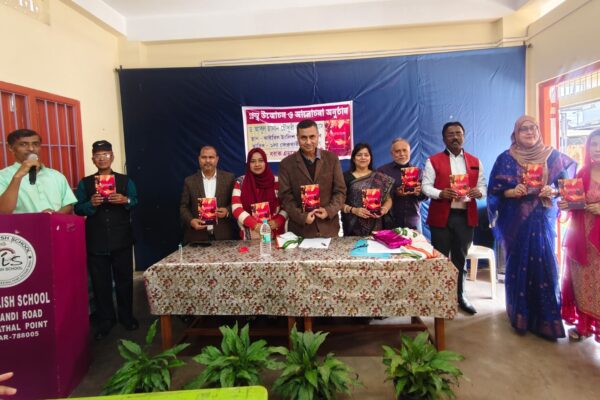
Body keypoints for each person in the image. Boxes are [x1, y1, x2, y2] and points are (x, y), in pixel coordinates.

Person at [488, 115, 575, 340]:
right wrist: (512, 191)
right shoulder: (506, 158)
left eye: (533, 128)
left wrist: (553, 191)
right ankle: (520, 316)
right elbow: (495, 191)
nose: (529, 132)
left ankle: (545, 319)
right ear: (516, 134)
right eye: (524, 129)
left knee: (544, 265)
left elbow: (566, 188)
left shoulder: (553, 157)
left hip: (542, 220)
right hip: (516, 222)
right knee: (518, 266)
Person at [74, 140, 139, 340]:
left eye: (106, 154)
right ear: (93, 159)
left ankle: (127, 317)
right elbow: (77, 208)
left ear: (112, 156)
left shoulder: (125, 180)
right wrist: (90, 204)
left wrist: (125, 200)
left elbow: (135, 200)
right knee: (100, 283)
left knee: (124, 280)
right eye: (98, 155)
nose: (102, 158)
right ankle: (106, 320)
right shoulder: (85, 183)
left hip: (122, 239)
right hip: (96, 240)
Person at [423, 121, 486, 315]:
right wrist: (441, 193)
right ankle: (439, 296)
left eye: (458, 133)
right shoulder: (433, 161)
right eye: (450, 134)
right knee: (440, 259)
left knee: (460, 258)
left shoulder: (475, 161)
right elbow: (426, 187)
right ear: (444, 138)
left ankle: (460, 296)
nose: (455, 137)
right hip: (442, 216)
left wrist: (479, 192)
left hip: (465, 217)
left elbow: (483, 187)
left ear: (464, 136)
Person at [559, 128, 600, 342]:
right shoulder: (583, 173)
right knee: (582, 282)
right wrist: (566, 204)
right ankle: (584, 326)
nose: (598, 149)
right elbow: (575, 202)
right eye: (594, 144)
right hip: (582, 239)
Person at [278, 119, 346, 238]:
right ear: (297, 138)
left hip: (329, 228)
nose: (308, 142)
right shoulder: (286, 164)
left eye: (312, 137)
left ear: (318, 136)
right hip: (300, 230)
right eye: (303, 138)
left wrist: (329, 211)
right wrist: (302, 217)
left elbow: (340, 191)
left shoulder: (332, 159)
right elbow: (285, 197)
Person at [0, 128, 76, 214]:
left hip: (54, 222)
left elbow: (68, 204)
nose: (31, 148)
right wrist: (17, 177)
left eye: (35, 144)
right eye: (23, 144)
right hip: (20, 223)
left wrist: (52, 216)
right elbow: (3, 211)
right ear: (11, 148)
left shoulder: (56, 175)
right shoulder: (2, 176)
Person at [180, 145, 235, 243]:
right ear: (199, 159)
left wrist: (227, 211)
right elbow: (183, 207)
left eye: (211, 157)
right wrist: (191, 221)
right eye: (204, 157)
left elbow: (236, 204)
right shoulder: (189, 181)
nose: (207, 160)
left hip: (223, 235)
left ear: (217, 159)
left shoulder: (229, 178)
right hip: (197, 236)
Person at [231, 148, 288, 240]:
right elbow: (236, 208)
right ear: (248, 164)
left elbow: (286, 205)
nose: (257, 164)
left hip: (275, 234)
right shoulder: (240, 182)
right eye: (253, 161)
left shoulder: (276, 181)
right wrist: (255, 225)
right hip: (251, 235)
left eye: (260, 160)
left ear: (265, 162)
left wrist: (278, 221)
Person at [342, 143, 393, 236]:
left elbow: (388, 199)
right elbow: (337, 202)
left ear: (370, 158)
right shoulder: (344, 177)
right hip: (353, 226)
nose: (363, 157)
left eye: (366, 155)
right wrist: (354, 210)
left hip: (377, 225)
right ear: (353, 158)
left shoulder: (379, 177)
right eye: (359, 155)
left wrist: (384, 209)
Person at [377, 138, 426, 231]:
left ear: (409, 152)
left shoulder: (419, 172)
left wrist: (419, 193)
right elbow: (377, 197)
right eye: (397, 151)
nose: (402, 154)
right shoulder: (382, 171)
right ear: (392, 154)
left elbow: (425, 197)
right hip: (389, 221)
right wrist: (395, 193)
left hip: (413, 221)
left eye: (404, 150)